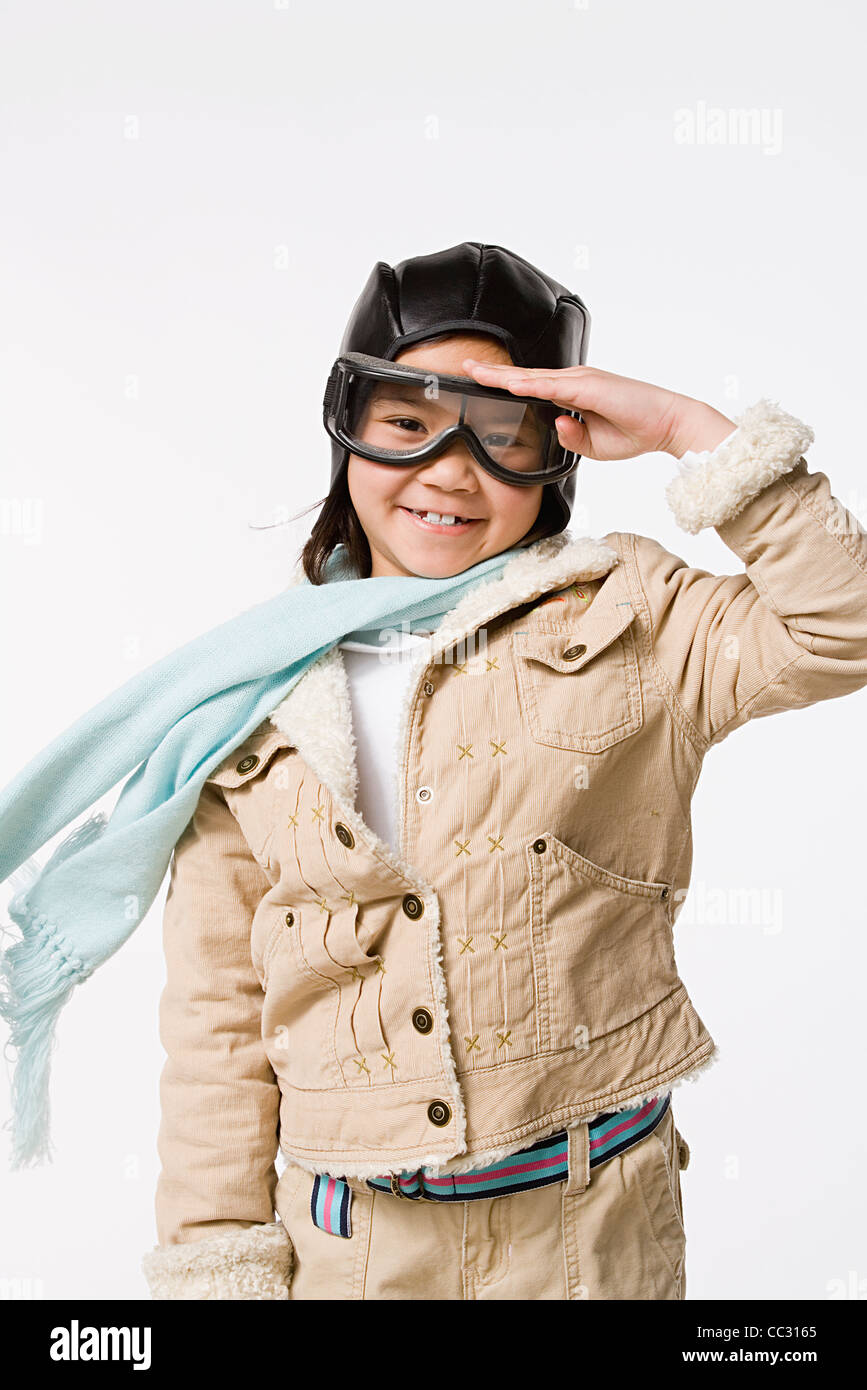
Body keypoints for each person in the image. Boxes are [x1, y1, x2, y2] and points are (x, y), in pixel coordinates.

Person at [3, 242, 866, 1300]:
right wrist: (214, 1270)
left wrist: (695, 434)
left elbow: (842, 627)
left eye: (500, 434)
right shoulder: (249, 690)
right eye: (408, 423)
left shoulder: (632, 612)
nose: (451, 470)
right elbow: (219, 1019)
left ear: (557, 454)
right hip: (355, 1249)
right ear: (348, 427)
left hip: (591, 1235)